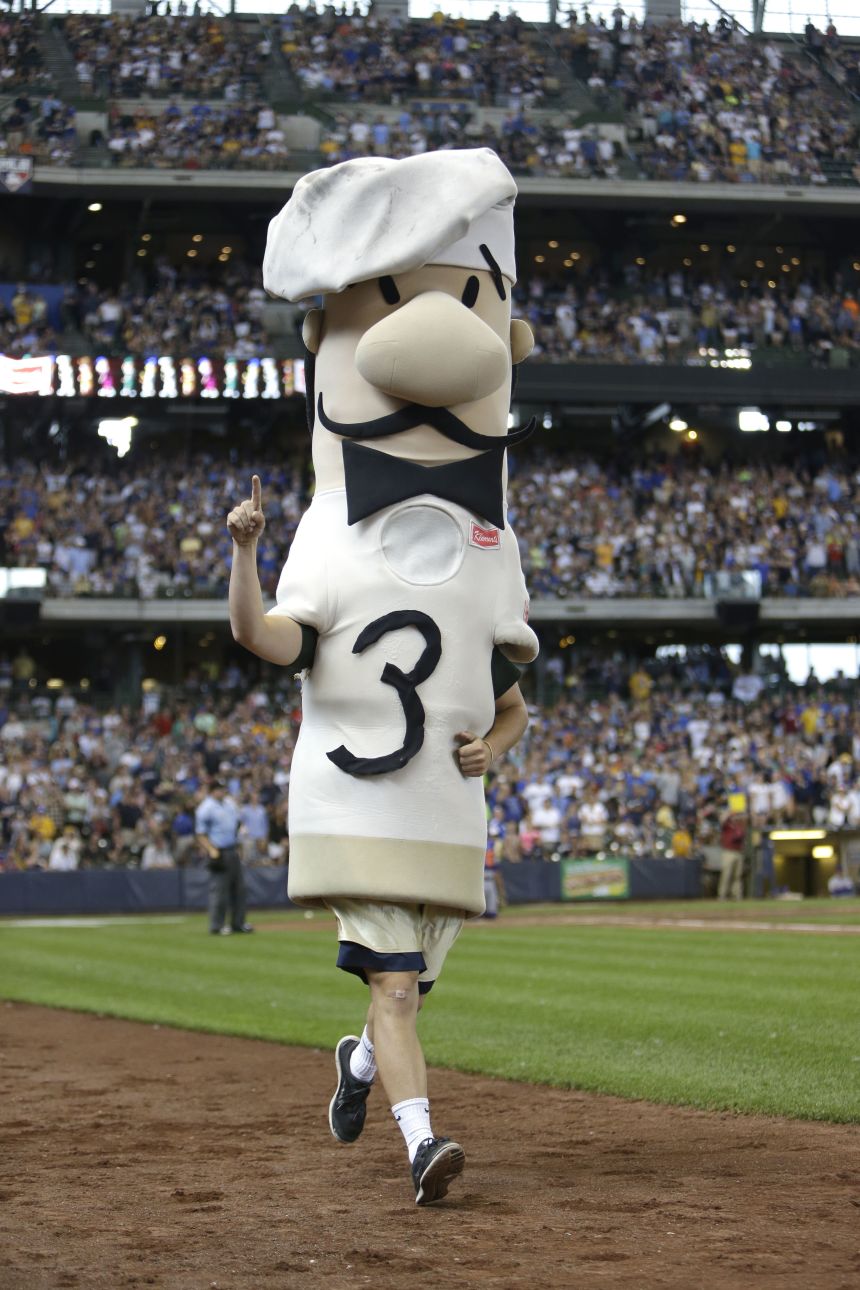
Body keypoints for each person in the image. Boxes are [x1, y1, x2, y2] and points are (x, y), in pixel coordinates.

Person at [229, 149, 536, 1206]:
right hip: (355, 791)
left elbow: (509, 699)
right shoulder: (326, 523)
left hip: (445, 806)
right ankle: (420, 1144)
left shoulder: (493, 539)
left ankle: (356, 1068)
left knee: (404, 993)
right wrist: (242, 556)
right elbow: (271, 640)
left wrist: (491, 747)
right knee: (397, 988)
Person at [194, 777, 254, 935]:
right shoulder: (206, 808)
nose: (222, 791)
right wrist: (210, 849)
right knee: (219, 890)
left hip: (232, 849)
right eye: (219, 789)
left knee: (240, 889)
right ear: (212, 791)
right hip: (218, 851)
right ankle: (217, 925)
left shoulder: (229, 804)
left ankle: (238, 923)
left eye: (223, 789)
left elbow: (236, 824)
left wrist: (239, 843)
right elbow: (200, 834)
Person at [718, 809, 746, 900]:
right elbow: (721, 820)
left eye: (736, 816)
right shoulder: (727, 825)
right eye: (734, 816)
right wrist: (729, 812)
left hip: (738, 852)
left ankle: (737, 895)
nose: (735, 818)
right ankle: (722, 895)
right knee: (726, 874)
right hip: (728, 852)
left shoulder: (740, 826)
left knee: (737, 875)